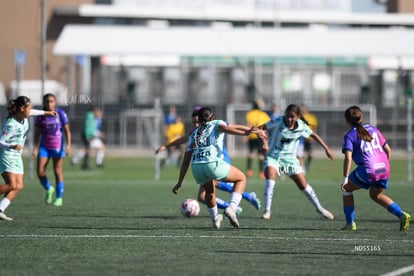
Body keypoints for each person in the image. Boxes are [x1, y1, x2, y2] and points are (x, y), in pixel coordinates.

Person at [172, 107, 264, 229]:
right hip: (212, 164)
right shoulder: (216, 123)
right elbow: (226, 128)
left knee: (209, 192)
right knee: (241, 178)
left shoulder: (194, 133)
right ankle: (232, 208)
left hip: (197, 168)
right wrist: (246, 133)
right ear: (213, 117)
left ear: (199, 119)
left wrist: (179, 182)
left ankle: (215, 219)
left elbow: (185, 161)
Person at [257, 104, 334, 220]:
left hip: (290, 161)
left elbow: (313, 135)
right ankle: (267, 211)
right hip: (273, 157)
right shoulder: (279, 121)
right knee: (270, 175)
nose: (289, 119)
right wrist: (264, 143)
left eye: (292, 117)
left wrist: (326, 148)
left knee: (303, 185)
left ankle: (319, 208)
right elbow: (260, 128)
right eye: (287, 116)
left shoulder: (301, 126)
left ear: (297, 117)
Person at [340, 105, 411, 231]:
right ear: (361, 116)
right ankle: (401, 214)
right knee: (375, 195)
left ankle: (350, 223)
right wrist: (383, 165)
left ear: (347, 120)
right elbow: (388, 150)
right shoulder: (374, 129)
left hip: (368, 170)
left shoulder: (349, 135)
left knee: (346, 189)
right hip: (384, 168)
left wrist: (345, 178)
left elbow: (348, 158)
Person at [0, 96, 56, 220]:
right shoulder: (10, 123)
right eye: (29, 108)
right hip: (7, 155)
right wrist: (11, 145)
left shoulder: (24, 116)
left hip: (16, 156)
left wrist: (47, 113)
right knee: (11, 185)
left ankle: (0, 209)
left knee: (19, 186)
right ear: (21, 108)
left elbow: (34, 112)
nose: (30, 110)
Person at [32, 94, 71, 207]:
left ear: (55, 102)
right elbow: (37, 133)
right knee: (40, 171)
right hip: (44, 147)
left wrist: (68, 145)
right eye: (47, 101)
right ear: (44, 102)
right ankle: (49, 189)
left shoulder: (61, 114)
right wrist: (35, 148)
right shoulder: (40, 116)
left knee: (57, 171)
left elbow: (67, 130)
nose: (49, 104)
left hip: (57, 147)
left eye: (52, 101)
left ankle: (59, 198)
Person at [244, 100, 270, 179]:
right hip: (260, 137)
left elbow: (248, 125)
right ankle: (261, 172)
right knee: (261, 155)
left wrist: (245, 136)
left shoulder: (249, 114)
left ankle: (249, 170)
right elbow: (267, 125)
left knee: (251, 153)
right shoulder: (263, 114)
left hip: (251, 135)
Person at [301, 104, 318, 172]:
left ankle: (308, 164)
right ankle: (302, 166)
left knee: (311, 154)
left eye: (304, 108)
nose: (303, 109)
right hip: (301, 138)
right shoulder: (299, 117)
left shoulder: (312, 117)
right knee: (301, 154)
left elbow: (314, 127)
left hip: (309, 138)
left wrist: (313, 136)